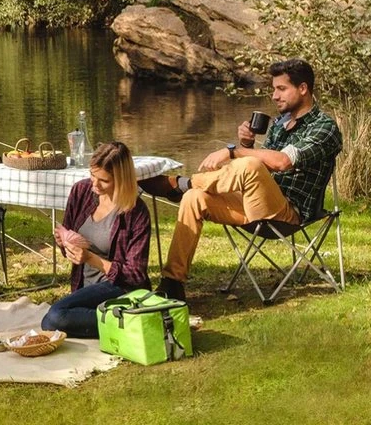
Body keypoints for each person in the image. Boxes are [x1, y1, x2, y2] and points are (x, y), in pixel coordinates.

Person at [138, 59, 343, 301]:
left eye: (281, 89)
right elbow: (264, 168)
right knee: (194, 198)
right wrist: (247, 143)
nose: (274, 96)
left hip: (289, 213)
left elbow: (282, 162)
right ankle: (172, 283)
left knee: (249, 164)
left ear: (303, 88)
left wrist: (234, 151)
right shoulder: (279, 124)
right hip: (255, 204)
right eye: (273, 89)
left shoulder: (324, 127)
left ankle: (181, 184)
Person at [41, 142, 152, 338]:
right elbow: (69, 249)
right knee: (51, 320)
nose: (95, 184)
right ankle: (127, 321)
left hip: (118, 286)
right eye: (92, 175)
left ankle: (128, 321)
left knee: (55, 317)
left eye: (104, 180)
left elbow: (135, 275)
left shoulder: (136, 212)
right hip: (85, 284)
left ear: (121, 179)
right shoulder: (81, 191)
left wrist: (90, 259)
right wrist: (64, 242)